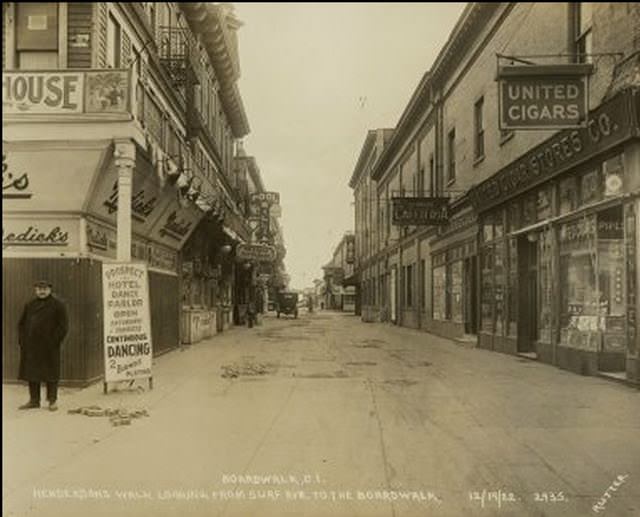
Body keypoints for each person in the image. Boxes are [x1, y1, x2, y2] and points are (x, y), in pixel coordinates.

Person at [18, 280, 68, 411]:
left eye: (44, 288)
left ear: (50, 290)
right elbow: (21, 324)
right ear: (35, 290)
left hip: (49, 347)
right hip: (32, 347)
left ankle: (52, 401)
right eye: (39, 288)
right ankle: (34, 401)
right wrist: (23, 341)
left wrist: (54, 341)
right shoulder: (29, 305)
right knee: (32, 373)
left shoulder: (58, 305)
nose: (42, 291)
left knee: (51, 374)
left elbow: (63, 327)